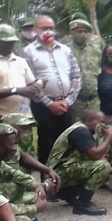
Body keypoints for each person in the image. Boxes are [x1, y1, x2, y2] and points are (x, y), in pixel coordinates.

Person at [22, 15, 81, 172]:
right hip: (43, 106)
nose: (48, 31)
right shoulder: (28, 52)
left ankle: (66, 177)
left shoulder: (66, 50)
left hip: (68, 104)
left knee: (68, 140)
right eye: (44, 28)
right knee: (47, 144)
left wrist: (68, 101)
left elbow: (76, 76)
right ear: (35, 30)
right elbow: (29, 81)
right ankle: (47, 178)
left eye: (51, 28)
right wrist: (49, 103)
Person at [47, 110, 112, 215]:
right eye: (101, 122)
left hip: (62, 169)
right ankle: (83, 204)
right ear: (89, 120)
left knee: (106, 171)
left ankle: (67, 194)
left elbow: (98, 156)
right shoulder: (80, 131)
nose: (103, 126)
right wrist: (110, 136)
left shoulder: (85, 131)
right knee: (102, 167)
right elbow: (96, 155)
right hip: (57, 173)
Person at [0, 123, 54, 221]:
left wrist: (39, 186)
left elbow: (15, 174)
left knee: (31, 192)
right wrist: (34, 208)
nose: (15, 149)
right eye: (12, 145)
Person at [0, 24, 41, 120]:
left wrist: (38, 85)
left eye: (12, 41)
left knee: (35, 132)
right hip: (2, 119)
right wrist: (16, 91)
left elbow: (30, 85)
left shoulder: (20, 61)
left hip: (26, 118)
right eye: (6, 42)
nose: (11, 44)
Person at [0, 113, 62, 191]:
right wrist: (44, 186)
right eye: (24, 128)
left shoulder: (13, 146)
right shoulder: (1, 148)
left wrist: (48, 170)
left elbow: (23, 156)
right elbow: (12, 176)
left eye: (30, 128)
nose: (28, 132)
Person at [64, 19, 102, 120]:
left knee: (95, 126)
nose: (83, 34)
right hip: (74, 101)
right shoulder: (65, 49)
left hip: (94, 100)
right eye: (79, 31)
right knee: (75, 127)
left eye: (86, 32)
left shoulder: (96, 48)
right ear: (71, 32)